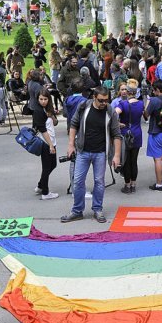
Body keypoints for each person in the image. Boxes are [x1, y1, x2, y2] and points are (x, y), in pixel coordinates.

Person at [61, 86, 122, 223]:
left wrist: (116, 155)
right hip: (83, 151)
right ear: (94, 97)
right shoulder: (84, 106)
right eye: (101, 100)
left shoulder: (110, 111)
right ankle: (77, 211)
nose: (103, 103)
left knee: (99, 182)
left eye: (106, 100)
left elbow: (117, 135)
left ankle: (97, 209)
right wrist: (71, 144)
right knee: (77, 182)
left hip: (100, 153)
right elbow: (73, 125)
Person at [113, 81, 145, 193]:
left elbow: (114, 113)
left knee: (126, 161)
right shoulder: (141, 104)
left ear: (128, 92)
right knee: (134, 160)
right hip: (137, 133)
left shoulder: (123, 104)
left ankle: (127, 185)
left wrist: (117, 124)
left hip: (125, 133)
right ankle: (133, 184)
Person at [32, 88, 59, 200]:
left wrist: (51, 115)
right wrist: (50, 145)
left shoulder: (47, 109)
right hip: (45, 143)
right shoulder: (38, 111)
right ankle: (45, 192)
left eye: (45, 99)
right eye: (41, 99)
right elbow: (43, 130)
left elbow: (55, 123)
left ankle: (40, 185)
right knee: (47, 167)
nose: (43, 101)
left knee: (53, 165)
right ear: (37, 99)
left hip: (51, 141)